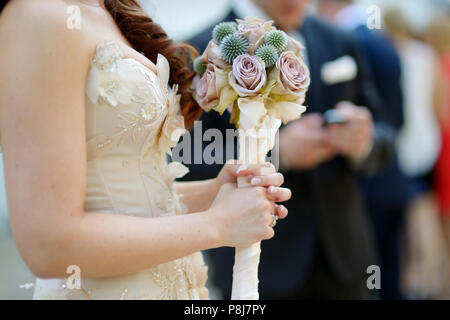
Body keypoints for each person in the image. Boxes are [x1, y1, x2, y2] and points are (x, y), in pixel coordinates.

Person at [0, 0, 292, 300]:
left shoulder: (104, 9)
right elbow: (49, 246)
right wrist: (218, 224)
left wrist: (214, 193)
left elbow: (124, 200)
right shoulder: (38, 14)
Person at [183, 0, 395, 299]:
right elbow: (185, 157)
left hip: (346, 260)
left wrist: (365, 141)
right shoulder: (204, 50)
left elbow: (387, 136)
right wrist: (277, 151)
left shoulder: (340, 40)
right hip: (259, 266)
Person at [316, 0, 413, 300]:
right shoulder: (385, 42)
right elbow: (398, 120)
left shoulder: (351, 41)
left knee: (376, 272)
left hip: (364, 182)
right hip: (391, 176)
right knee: (390, 269)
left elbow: (383, 118)